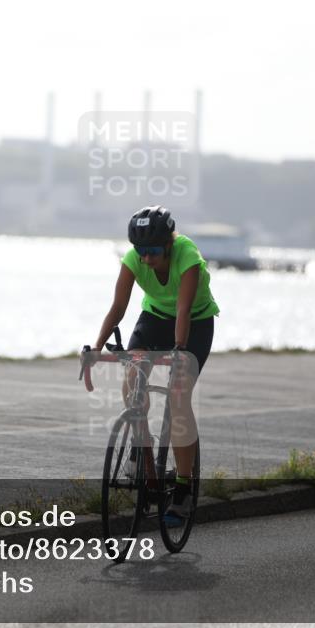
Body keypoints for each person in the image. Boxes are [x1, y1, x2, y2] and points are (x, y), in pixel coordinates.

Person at [91, 205, 219, 523]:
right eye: (141, 251)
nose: (146, 258)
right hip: (154, 318)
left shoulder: (187, 255)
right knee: (133, 377)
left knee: (178, 398)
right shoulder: (134, 259)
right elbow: (119, 306)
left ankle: (183, 488)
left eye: (152, 251)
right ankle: (140, 446)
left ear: (168, 244)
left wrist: (178, 351)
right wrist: (95, 347)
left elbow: (185, 309)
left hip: (194, 323)